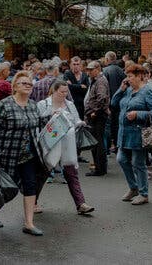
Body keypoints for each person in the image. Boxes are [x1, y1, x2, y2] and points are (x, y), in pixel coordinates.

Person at [0, 71, 46, 236]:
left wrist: (55, 119)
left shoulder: (33, 105)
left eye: (30, 84)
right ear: (15, 87)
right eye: (23, 83)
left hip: (29, 155)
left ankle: (29, 223)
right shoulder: (5, 104)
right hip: (7, 153)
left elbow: (39, 123)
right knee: (2, 188)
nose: (27, 86)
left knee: (30, 185)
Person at [36, 80, 94, 214]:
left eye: (66, 92)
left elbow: (75, 120)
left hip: (68, 145)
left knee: (71, 173)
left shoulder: (70, 104)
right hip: (50, 145)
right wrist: (51, 116)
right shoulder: (43, 104)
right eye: (61, 91)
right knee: (42, 174)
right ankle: (33, 202)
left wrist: (80, 123)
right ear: (53, 91)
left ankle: (81, 204)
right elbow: (37, 121)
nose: (64, 94)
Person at [110, 63, 152, 205]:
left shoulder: (147, 91)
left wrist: (138, 114)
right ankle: (133, 187)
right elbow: (113, 103)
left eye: (130, 76)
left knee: (138, 163)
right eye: (127, 76)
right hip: (124, 132)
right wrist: (121, 89)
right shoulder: (127, 90)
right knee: (121, 159)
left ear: (139, 76)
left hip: (139, 133)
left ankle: (144, 193)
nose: (128, 79)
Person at [84, 61, 110, 176]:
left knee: (97, 142)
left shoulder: (100, 81)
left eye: (90, 70)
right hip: (95, 114)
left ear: (97, 69)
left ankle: (100, 169)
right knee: (96, 142)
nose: (88, 72)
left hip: (97, 116)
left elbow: (102, 97)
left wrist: (95, 111)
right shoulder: (96, 80)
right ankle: (99, 167)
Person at [103, 51, 126, 153]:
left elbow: (104, 88)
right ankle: (117, 145)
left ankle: (107, 146)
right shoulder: (121, 71)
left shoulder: (105, 71)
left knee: (108, 125)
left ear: (107, 59)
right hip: (120, 101)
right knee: (117, 124)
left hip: (109, 101)